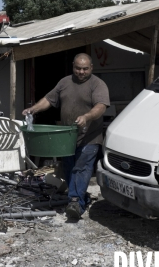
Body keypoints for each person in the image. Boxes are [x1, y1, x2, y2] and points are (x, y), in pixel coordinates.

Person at [22, 53, 110, 219]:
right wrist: (34, 109)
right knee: (69, 167)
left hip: (90, 136)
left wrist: (87, 117)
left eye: (85, 69)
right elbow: (49, 99)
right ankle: (79, 198)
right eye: (78, 68)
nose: (81, 72)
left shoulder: (98, 85)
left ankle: (75, 202)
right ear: (73, 66)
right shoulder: (64, 82)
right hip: (67, 137)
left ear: (91, 67)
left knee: (81, 168)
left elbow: (101, 107)